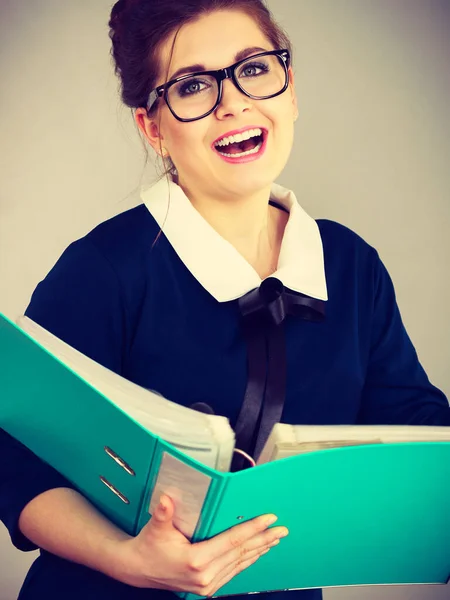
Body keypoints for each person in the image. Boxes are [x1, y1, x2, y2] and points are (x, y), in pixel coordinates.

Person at [1, 0, 449, 599]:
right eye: (192, 86)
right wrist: (127, 559)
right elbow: (16, 458)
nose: (234, 102)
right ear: (153, 127)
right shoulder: (103, 269)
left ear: (290, 92)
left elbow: (415, 431)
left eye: (254, 69)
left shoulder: (350, 265)